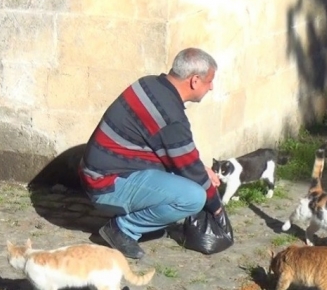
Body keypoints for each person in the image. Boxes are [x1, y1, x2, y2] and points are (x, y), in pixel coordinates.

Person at [79, 47, 223, 259]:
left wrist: (201, 169)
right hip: (105, 185)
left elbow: (177, 155)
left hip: (99, 171)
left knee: (189, 179)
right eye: (209, 81)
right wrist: (216, 208)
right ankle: (122, 229)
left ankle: (141, 217)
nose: (211, 87)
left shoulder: (149, 84)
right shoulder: (171, 116)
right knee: (194, 197)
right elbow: (188, 169)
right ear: (194, 80)